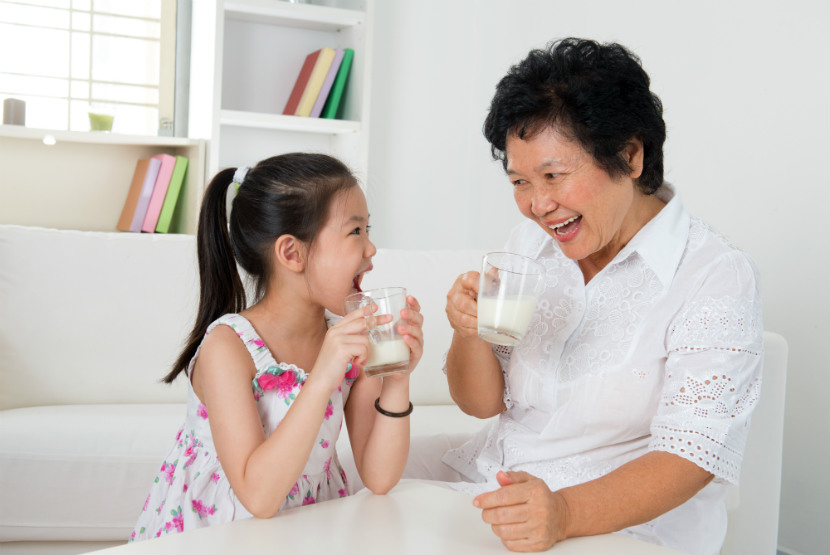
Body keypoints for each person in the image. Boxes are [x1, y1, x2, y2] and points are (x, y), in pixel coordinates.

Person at [439, 38, 763, 554]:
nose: (538, 205)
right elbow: (479, 404)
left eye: (554, 176)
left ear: (630, 156)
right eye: (520, 180)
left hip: (620, 529)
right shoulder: (531, 247)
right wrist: (467, 332)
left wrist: (565, 513)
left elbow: (694, 453)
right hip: (494, 488)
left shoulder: (713, 274)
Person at [130, 153, 423, 541]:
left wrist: (396, 380)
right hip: (221, 533)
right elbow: (259, 496)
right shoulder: (227, 348)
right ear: (291, 253)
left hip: (307, 529)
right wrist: (321, 378)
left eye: (368, 230)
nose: (371, 249)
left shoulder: (349, 339)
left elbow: (380, 477)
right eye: (355, 232)